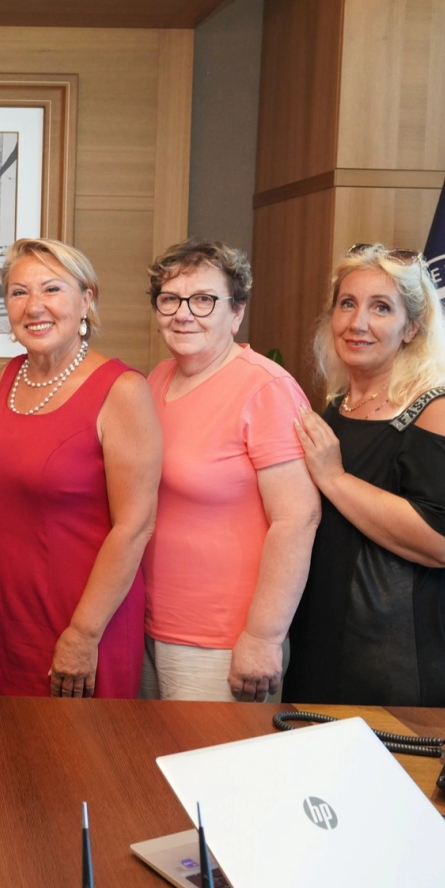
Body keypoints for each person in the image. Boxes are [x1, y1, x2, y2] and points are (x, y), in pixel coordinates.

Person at [287, 244, 445, 708]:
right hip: (329, 641)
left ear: (412, 328)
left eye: (381, 307)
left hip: (409, 658)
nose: (357, 322)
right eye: (347, 303)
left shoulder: (438, 408)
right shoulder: (340, 403)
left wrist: (335, 479)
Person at [0, 239, 161, 697]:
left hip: (84, 617)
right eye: (18, 292)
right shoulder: (10, 376)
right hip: (6, 613)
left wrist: (84, 634)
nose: (34, 306)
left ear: (86, 299)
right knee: (5, 739)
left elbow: (135, 526)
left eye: (52, 289)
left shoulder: (123, 390)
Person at [140, 240, 320, 702]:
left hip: (223, 639)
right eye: (170, 299)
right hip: (149, 624)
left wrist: (262, 637)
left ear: (236, 312)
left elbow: (298, 518)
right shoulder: (156, 379)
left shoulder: (266, 388)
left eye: (203, 300)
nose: (184, 314)